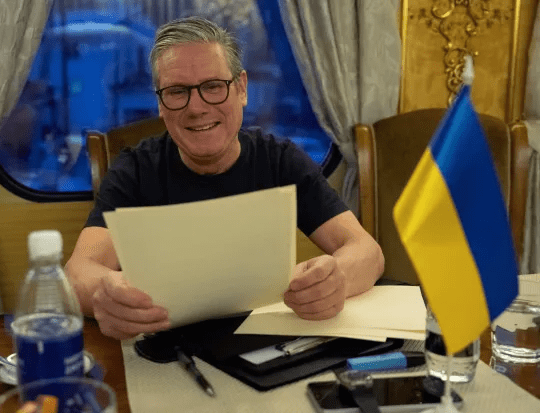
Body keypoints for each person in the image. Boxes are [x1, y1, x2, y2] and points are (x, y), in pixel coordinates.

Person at [65, 16, 384, 340]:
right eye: (177, 92)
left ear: (241, 88)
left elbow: (366, 251)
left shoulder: (279, 162)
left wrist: (334, 279)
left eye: (213, 87)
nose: (197, 107)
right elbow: (78, 273)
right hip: (166, 347)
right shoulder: (134, 171)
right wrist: (103, 295)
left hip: (263, 343)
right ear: (161, 103)